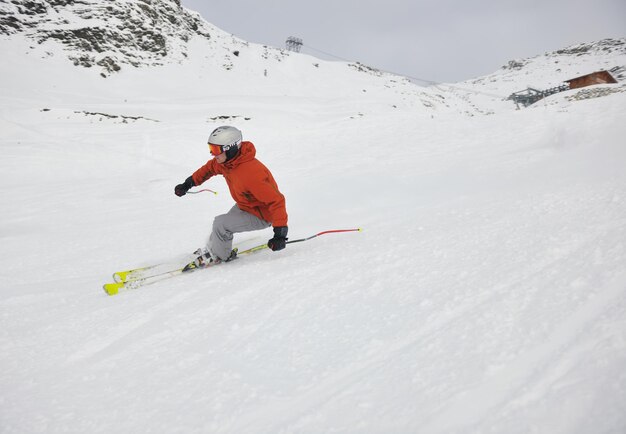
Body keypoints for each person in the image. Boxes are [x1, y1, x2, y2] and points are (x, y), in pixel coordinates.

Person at [174, 126, 288, 267]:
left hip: (262, 215)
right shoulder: (227, 162)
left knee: (221, 224)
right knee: (220, 226)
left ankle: (219, 256)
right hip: (246, 205)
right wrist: (188, 184)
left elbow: (276, 201)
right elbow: (208, 169)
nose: (212, 154)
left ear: (230, 148)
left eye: (216, 150)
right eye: (211, 148)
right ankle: (213, 248)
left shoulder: (252, 173)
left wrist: (280, 234)